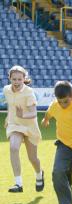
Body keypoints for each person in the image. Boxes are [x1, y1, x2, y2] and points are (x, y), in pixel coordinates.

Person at [3, 65, 44, 193]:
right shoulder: (6, 90)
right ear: (10, 78)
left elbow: (34, 113)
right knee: (13, 147)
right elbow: (11, 105)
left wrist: (22, 115)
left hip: (30, 126)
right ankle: (18, 184)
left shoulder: (29, 92)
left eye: (19, 79)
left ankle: (39, 174)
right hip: (14, 124)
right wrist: (8, 118)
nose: (16, 82)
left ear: (24, 79)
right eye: (14, 79)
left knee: (33, 158)